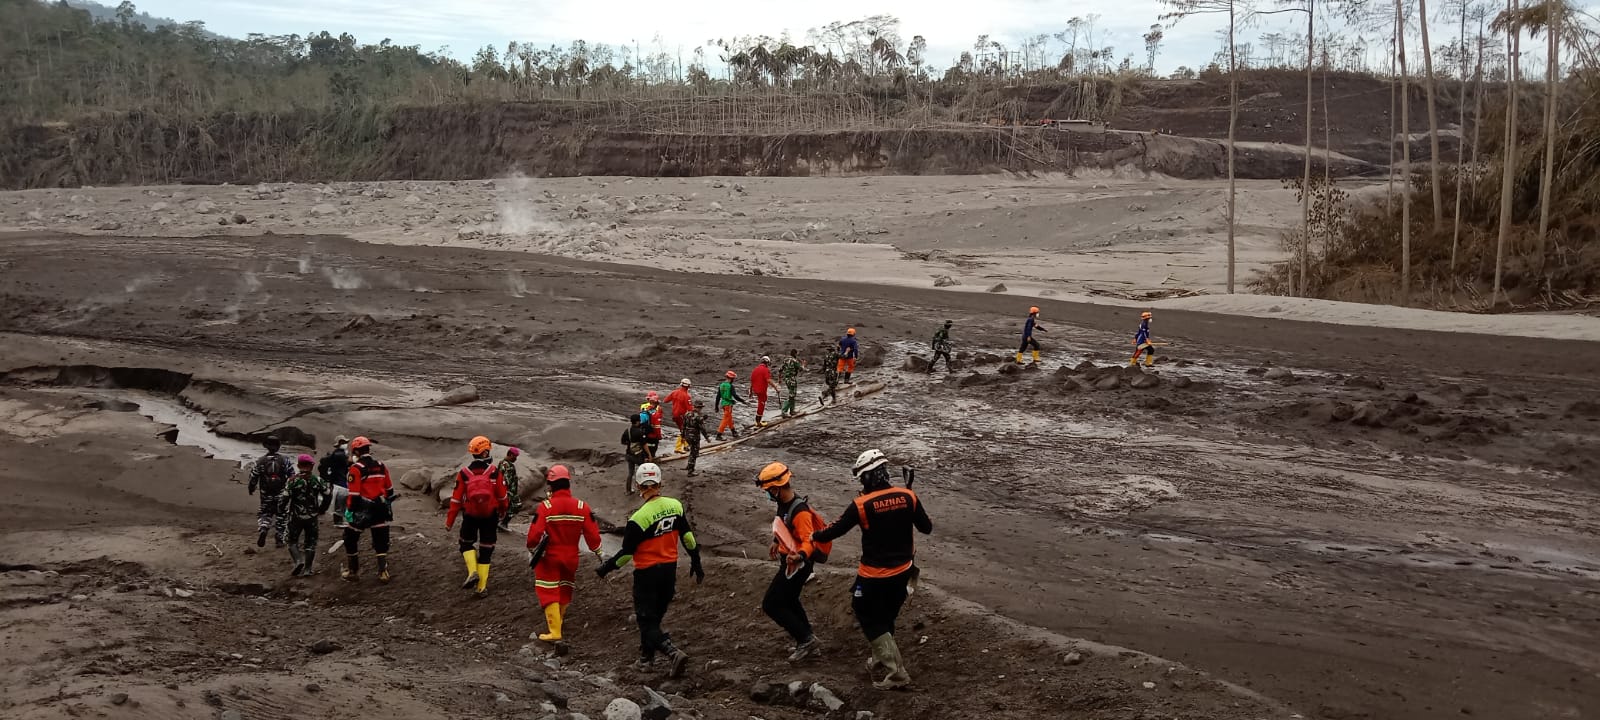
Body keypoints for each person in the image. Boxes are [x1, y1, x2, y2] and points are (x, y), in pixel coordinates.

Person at [812, 448, 933, 690]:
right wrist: (909, 499)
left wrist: (813, 535)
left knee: (866, 614)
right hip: (905, 572)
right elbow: (926, 528)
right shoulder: (908, 496)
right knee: (886, 615)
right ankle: (881, 657)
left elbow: (834, 530)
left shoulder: (861, 504)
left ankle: (896, 672)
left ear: (867, 477)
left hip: (875, 575)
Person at [596, 463, 703, 678]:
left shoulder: (638, 519)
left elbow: (626, 554)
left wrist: (605, 568)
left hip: (647, 574)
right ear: (660, 483)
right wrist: (696, 561)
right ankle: (646, 659)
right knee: (653, 619)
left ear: (638, 485)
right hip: (669, 571)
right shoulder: (676, 506)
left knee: (646, 620)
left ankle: (671, 652)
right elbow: (688, 538)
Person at [756, 462, 832, 662]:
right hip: (792, 561)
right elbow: (783, 522)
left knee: (771, 604)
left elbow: (809, 540)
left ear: (776, 488)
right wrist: (776, 541)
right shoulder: (785, 504)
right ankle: (807, 640)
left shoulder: (800, 512)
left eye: (768, 491)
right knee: (789, 600)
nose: (768, 495)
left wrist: (800, 556)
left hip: (798, 564)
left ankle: (806, 639)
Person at [526, 465, 603, 643]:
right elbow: (592, 534)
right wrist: (599, 551)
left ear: (551, 485)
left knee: (548, 591)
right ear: (568, 483)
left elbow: (535, 535)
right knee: (565, 589)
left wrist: (531, 548)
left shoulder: (546, 507)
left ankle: (555, 631)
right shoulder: (582, 506)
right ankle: (558, 622)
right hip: (571, 557)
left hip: (550, 558)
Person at [447, 436, 510, 598]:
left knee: (465, 544)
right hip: (490, 516)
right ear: (485, 452)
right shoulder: (495, 472)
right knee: (486, 549)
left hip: (470, 514)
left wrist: (450, 521)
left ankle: (472, 571)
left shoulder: (464, 473)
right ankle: (481, 588)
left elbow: (455, 499)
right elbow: (503, 497)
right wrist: (503, 511)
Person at [342, 436, 396, 582]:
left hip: (363, 509)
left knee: (350, 537)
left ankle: (353, 571)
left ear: (356, 452)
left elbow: (354, 495)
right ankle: (383, 572)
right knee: (381, 540)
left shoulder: (356, 468)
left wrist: (350, 511)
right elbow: (390, 490)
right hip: (381, 507)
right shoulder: (381, 465)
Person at [283, 454, 331, 577]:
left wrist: (281, 509)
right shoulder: (317, 480)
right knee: (310, 542)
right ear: (311, 466)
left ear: (298, 466)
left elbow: (285, 497)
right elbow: (328, 494)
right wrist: (322, 509)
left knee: (291, 541)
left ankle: (298, 560)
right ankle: (308, 569)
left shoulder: (292, 480)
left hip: (295, 516)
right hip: (312, 516)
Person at [248, 436, 295, 549]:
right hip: (281, 493)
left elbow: (253, 477)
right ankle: (279, 539)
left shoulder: (260, 461)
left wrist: (251, 488)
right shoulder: (285, 460)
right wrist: (291, 490)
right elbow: (292, 476)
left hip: (265, 494)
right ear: (278, 446)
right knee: (281, 514)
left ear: (266, 446)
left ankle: (264, 528)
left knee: (265, 513)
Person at [319, 436, 351, 529]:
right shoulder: (339, 455)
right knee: (341, 500)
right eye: (343, 442)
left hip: (337, 480)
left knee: (340, 501)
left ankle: (339, 520)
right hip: (339, 481)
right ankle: (338, 521)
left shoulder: (335, 454)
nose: (345, 444)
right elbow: (348, 462)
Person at [622, 412, 651, 494]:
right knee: (641, 471)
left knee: (630, 473)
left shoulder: (627, 431)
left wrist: (630, 444)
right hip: (638, 455)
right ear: (637, 421)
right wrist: (649, 454)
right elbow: (644, 445)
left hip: (628, 454)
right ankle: (642, 489)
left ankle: (628, 490)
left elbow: (623, 441)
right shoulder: (639, 432)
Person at [682, 400, 712, 477]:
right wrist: (707, 438)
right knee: (694, 453)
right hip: (695, 436)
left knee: (692, 451)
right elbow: (702, 429)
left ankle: (689, 466)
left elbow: (683, 426)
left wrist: (683, 436)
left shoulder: (687, 414)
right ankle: (690, 471)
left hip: (687, 435)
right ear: (700, 407)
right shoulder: (698, 417)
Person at [498, 447, 523, 531]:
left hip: (508, 491)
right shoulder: (507, 465)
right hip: (509, 491)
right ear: (511, 455)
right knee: (516, 505)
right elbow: (506, 479)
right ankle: (503, 523)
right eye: (515, 457)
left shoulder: (502, 463)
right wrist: (508, 491)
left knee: (507, 507)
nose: (516, 459)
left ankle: (501, 523)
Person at [715, 370, 745, 441]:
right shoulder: (730, 386)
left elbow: (718, 396)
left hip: (723, 404)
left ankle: (733, 431)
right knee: (725, 419)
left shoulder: (721, 385)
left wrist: (716, 406)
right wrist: (742, 401)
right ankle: (719, 434)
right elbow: (735, 396)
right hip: (728, 404)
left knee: (729, 418)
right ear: (731, 379)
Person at [665, 379, 694, 453]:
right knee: (684, 431)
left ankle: (686, 445)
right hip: (681, 416)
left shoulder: (674, 392)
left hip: (675, 415)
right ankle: (678, 448)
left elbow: (665, 400)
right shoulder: (687, 396)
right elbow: (690, 409)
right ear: (688, 386)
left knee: (683, 430)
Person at [750, 356, 778, 428]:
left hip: (756, 390)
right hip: (761, 390)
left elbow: (752, 382)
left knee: (761, 403)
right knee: (761, 404)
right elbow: (768, 380)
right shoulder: (765, 370)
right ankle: (758, 422)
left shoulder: (755, 370)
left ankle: (758, 420)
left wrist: (750, 392)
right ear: (767, 363)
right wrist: (776, 387)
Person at [778, 350, 806, 418]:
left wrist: (779, 379)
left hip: (786, 379)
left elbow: (780, 370)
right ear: (795, 354)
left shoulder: (785, 360)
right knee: (792, 395)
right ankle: (784, 411)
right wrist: (803, 364)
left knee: (792, 394)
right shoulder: (794, 361)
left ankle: (792, 411)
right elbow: (801, 369)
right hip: (792, 379)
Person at [638, 392, 665, 459]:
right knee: (652, 448)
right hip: (653, 434)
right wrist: (659, 436)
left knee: (644, 448)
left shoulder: (643, 407)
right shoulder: (658, 410)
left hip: (644, 432)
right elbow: (657, 426)